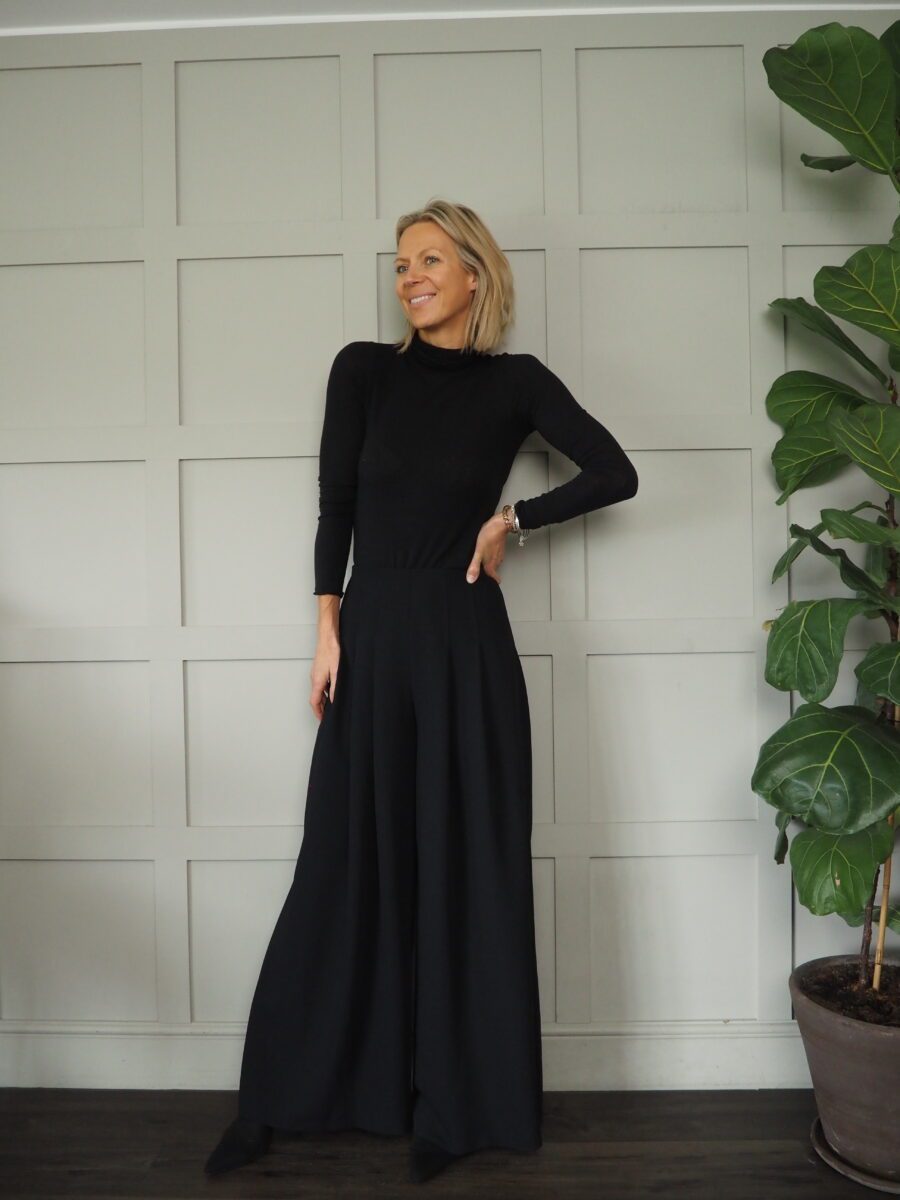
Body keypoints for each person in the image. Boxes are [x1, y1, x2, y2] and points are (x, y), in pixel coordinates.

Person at [204, 198, 639, 1185]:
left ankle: (458, 1106)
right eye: (402, 263)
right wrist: (327, 631)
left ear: (475, 274)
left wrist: (514, 519)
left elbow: (616, 472)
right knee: (341, 863)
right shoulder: (363, 371)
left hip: (464, 643)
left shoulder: (516, 384)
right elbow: (337, 505)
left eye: (431, 260)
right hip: (371, 637)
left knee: (463, 868)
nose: (410, 277)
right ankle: (281, 1096)